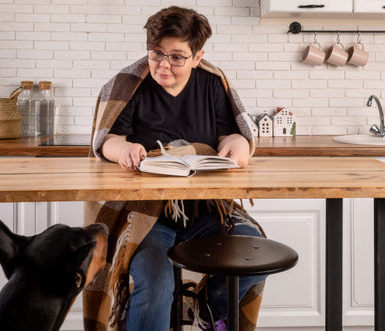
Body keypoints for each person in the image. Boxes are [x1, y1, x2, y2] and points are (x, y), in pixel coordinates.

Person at [83, 6, 266, 331]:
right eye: (156, 53)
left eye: (177, 57)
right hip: (147, 215)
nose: (163, 65)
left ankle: (204, 311)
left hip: (207, 210)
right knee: (154, 287)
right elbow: (106, 139)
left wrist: (238, 143)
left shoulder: (212, 84)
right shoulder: (131, 85)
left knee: (255, 253)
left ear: (197, 57)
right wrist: (122, 149)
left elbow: (233, 133)